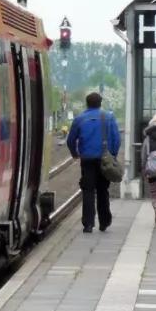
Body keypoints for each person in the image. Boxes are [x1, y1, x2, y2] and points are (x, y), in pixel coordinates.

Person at [66, 92, 120, 233]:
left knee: (88, 190)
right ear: (100, 103)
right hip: (104, 159)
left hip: (87, 160)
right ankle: (104, 222)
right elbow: (116, 139)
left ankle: (88, 224)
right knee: (103, 190)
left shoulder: (79, 119)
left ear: (87, 103)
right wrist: (112, 155)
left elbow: (70, 140)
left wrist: (75, 153)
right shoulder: (109, 117)